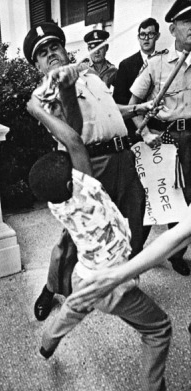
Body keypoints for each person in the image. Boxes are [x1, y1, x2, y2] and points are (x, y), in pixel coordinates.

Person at [28, 90, 172, 391]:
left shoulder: (58, 204)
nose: (79, 162)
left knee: (77, 305)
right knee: (159, 329)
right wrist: (37, 110)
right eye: (73, 167)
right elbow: (75, 142)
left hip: (86, 274)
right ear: (73, 184)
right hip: (110, 283)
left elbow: (73, 149)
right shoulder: (87, 191)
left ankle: (47, 341)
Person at [23, 22, 156, 322]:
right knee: (77, 234)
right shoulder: (45, 94)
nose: (51, 54)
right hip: (89, 166)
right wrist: (66, 89)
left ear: (64, 49)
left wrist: (138, 108)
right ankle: (51, 287)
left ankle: (118, 279)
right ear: (37, 65)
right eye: (42, 53)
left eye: (54, 47)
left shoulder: (90, 74)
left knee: (133, 218)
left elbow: (109, 108)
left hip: (123, 157)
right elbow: (75, 131)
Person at [128, 0, 191, 277]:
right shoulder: (158, 63)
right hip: (164, 139)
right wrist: (145, 131)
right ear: (173, 27)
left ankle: (176, 255)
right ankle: (133, 257)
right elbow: (132, 105)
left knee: (185, 200)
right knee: (152, 200)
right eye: (187, 21)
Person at [113, 17, 160, 145]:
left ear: (157, 36)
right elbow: (119, 101)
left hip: (160, 129)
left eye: (150, 34)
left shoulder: (163, 61)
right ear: (138, 37)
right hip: (135, 132)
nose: (146, 38)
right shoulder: (126, 65)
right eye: (142, 35)